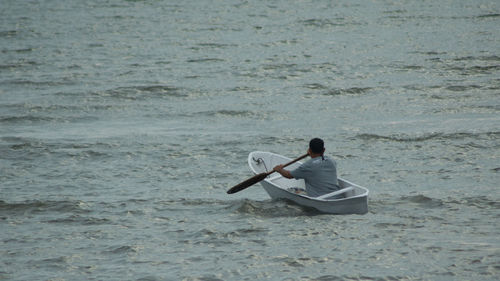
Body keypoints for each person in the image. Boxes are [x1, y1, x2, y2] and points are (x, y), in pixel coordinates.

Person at [273, 138, 340, 197]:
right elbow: (319, 163)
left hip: (319, 198)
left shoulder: (307, 166)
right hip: (337, 197)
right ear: (324, 150)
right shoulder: (331, 161)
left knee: (293, 190)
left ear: (309, 150)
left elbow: (289, 175)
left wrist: (279, 170)